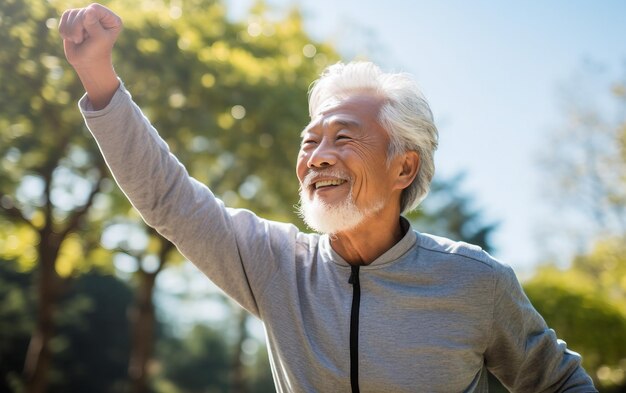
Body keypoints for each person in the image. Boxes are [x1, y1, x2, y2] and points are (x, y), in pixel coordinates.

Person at [59, 4, 597, 392]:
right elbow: (168, 198)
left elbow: (560, 382)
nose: (317, 156)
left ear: (403, 165)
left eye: (343, 137)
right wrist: (98, 77)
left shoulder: (476, 283)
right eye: (309, 141)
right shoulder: (275, 265)